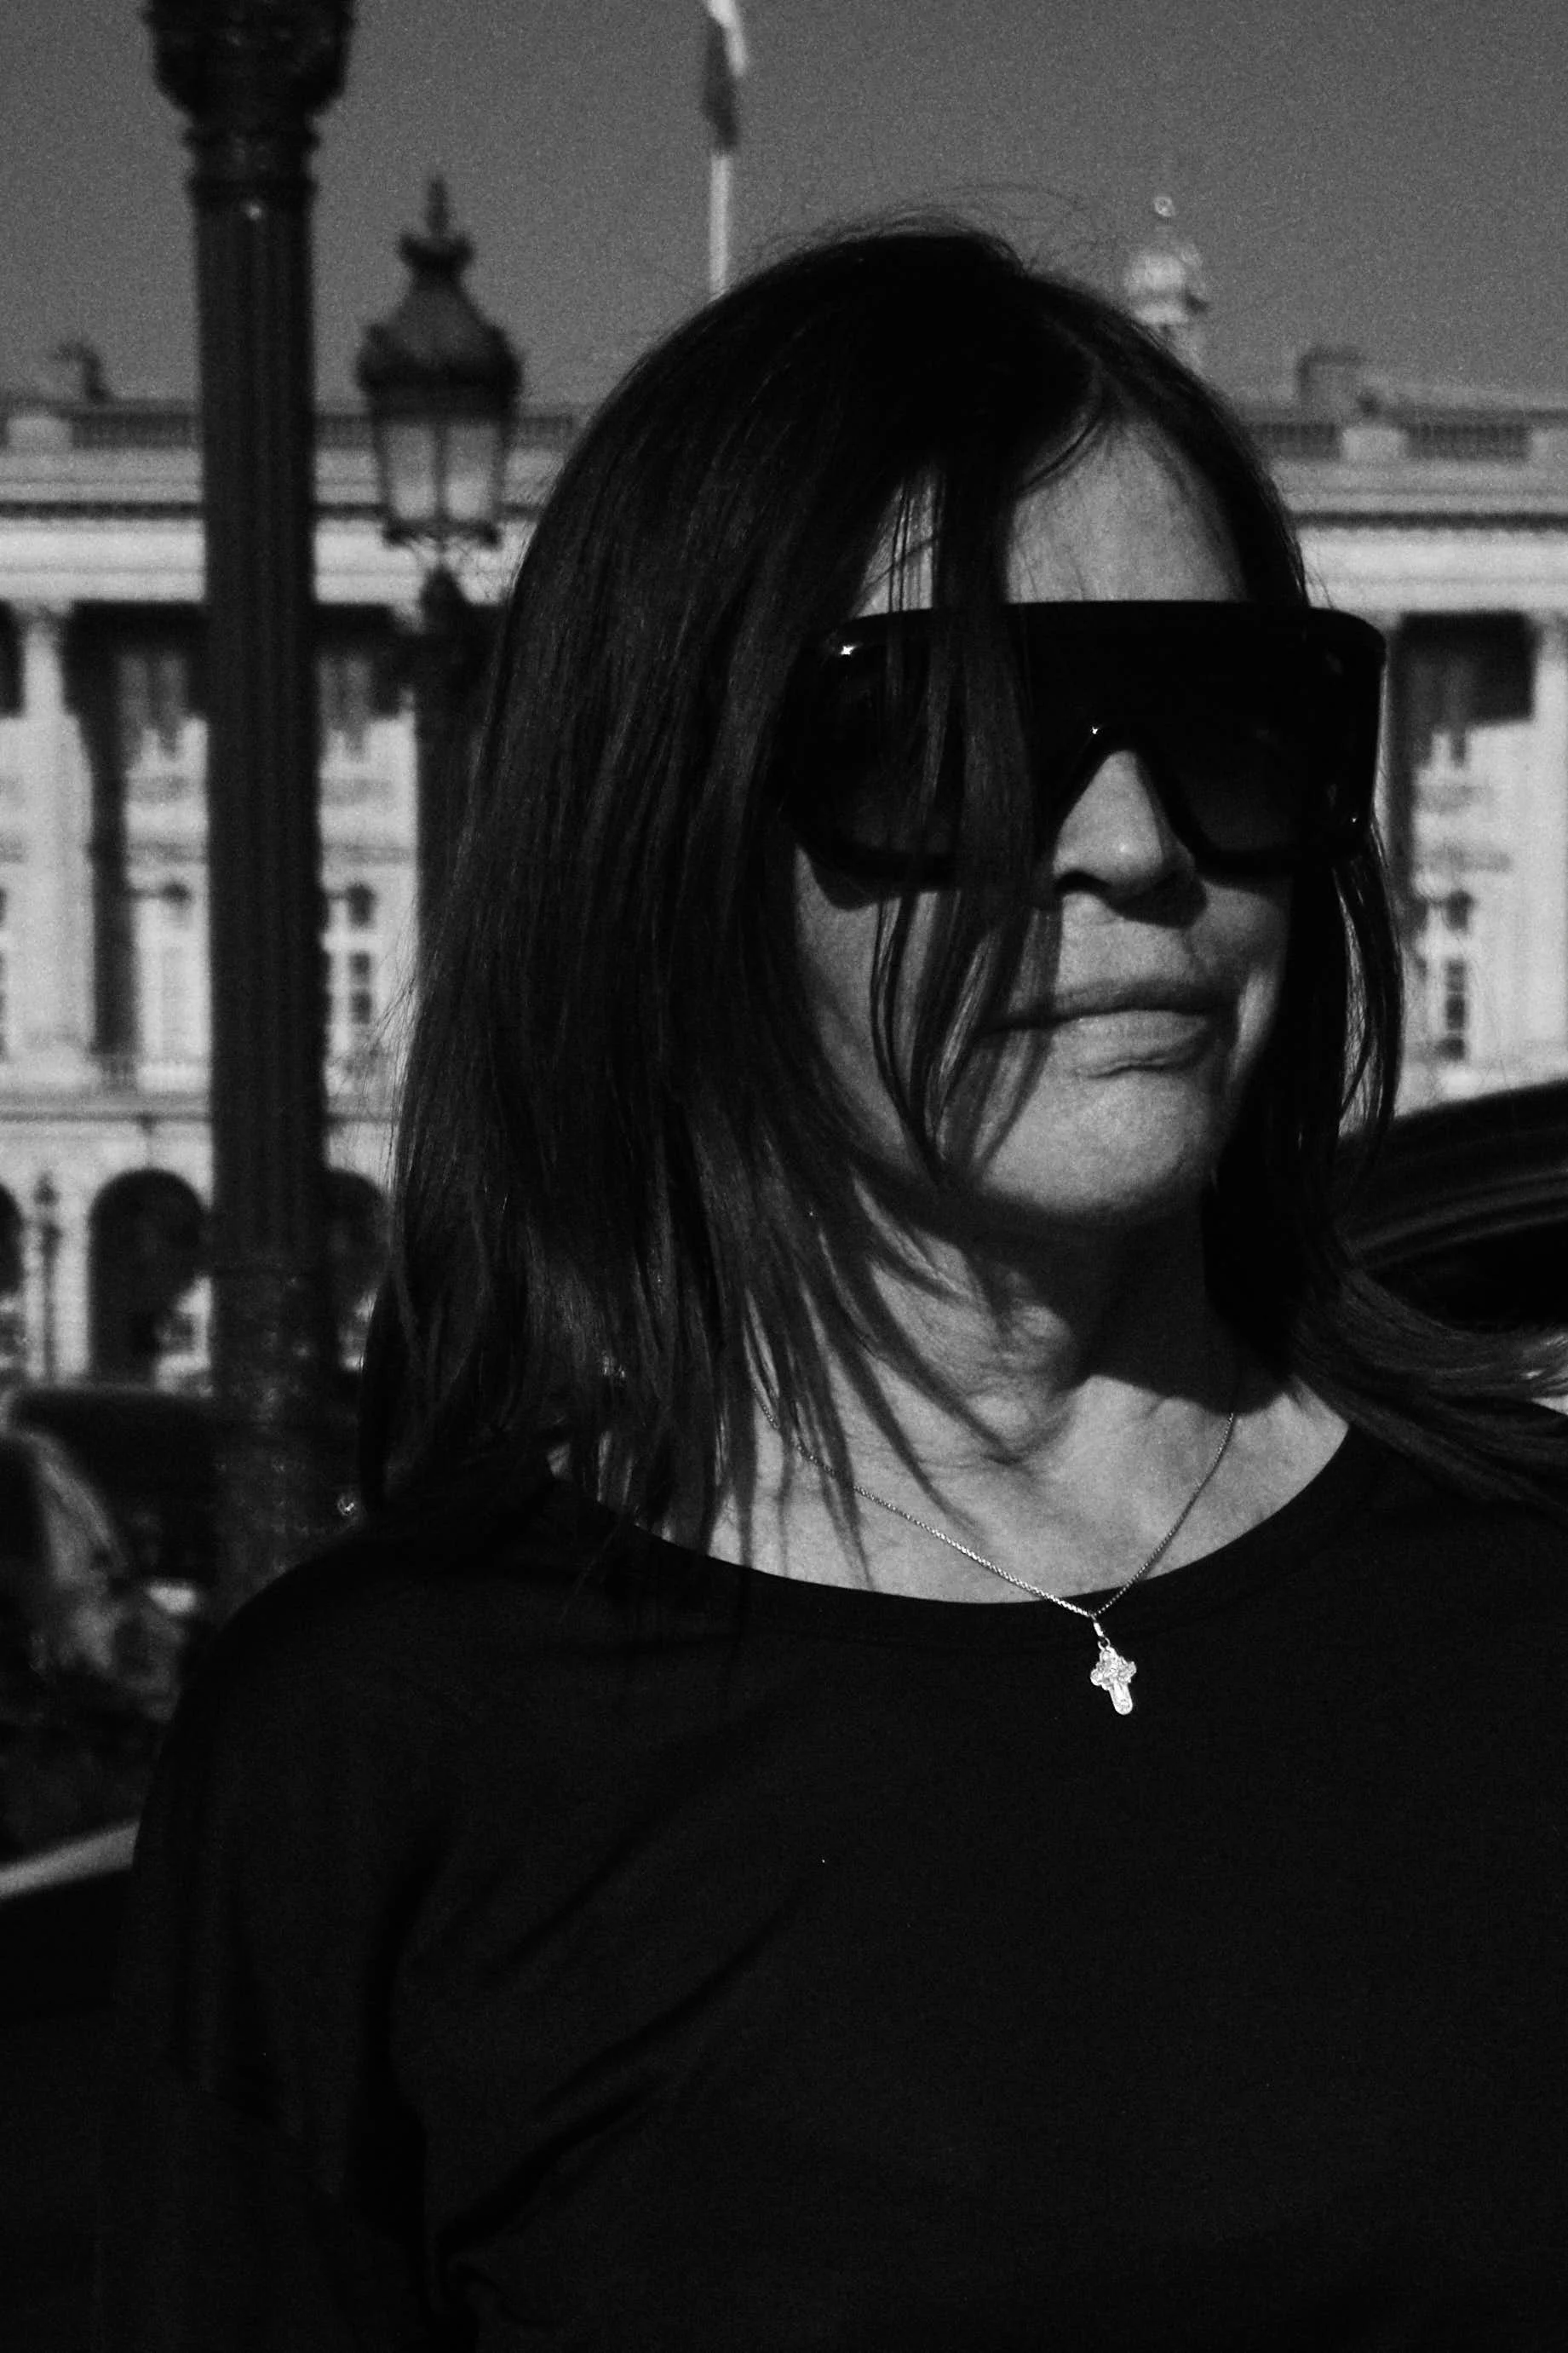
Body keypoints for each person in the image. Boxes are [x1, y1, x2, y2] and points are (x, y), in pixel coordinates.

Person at [95, 221, 1568, 2350]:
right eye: (959, 742)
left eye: (1226, 719)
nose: (1131, 846)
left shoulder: (1524, 1603)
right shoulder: (385, 1751)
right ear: (678, 830)